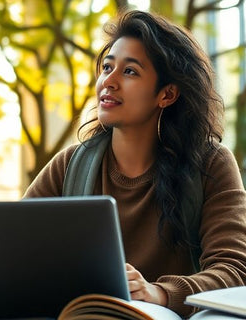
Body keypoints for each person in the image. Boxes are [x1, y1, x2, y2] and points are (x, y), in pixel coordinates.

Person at [23, 10, 246, 318]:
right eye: (107, 67)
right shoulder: (69, 164)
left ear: (167, 94)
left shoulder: (211, 164)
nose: (108, 82)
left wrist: (160, 293)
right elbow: (16, 250)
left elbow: (235, 269)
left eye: (130, 72)